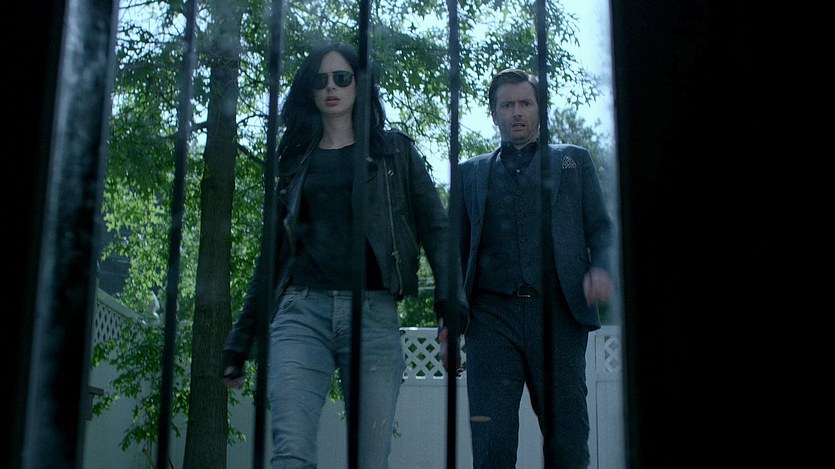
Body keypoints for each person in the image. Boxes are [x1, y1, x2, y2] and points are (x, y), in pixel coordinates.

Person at [219, 42, 468, 469]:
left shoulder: (393, 153)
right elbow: (270, 257)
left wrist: (449, 308)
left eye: (341, 78)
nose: (331, 87)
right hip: (300, 314)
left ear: (359, 84)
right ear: (310, 90)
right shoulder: (294, 161)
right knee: (290, 452)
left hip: (373, 315)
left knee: (369, 458)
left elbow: (437, 231)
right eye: (320, 80)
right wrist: (239, 342)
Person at [452, 68, 614, 469]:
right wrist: (448, 319)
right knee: (491, 447)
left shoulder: (573, 161)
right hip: (490, 320)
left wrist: (601, 269)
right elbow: (453, 252)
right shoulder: (470, 173)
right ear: (494, 114)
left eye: (525, 103)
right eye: (507, 105)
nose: (517, 112)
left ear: (540, 109)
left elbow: (601, 229)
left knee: (568, 446)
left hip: (558, 315)